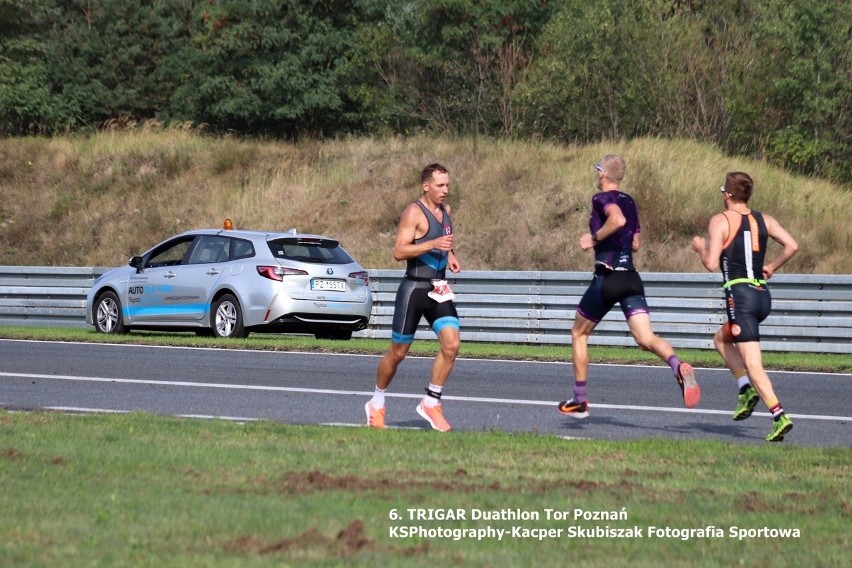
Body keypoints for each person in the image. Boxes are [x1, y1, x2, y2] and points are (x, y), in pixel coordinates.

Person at [558, 154, 700, 418]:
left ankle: (580, 400)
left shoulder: (601, 199)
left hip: (608, 277)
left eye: (597, 169)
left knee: (579, 334)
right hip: (631, 278)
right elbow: (635, 243)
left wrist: (594, 238)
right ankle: (677, 365)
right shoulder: (630, 201)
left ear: (603, 173)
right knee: (646, 339)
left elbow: (618, 221)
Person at [690, 172, 798, 442]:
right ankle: (744, 388)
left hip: (740, 297)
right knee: (721, 339)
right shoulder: (765, 219)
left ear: (727, 194)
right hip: (761, 295)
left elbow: (712, 264)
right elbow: (792, 245)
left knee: (753, 363)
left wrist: (701, 248)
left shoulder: (720, 220)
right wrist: (771, 266)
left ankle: (779, 414)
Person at [365, 163, 461, 432]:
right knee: (398, 353)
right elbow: (399, 251)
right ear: (425, 186)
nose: (445, 190)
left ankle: (431, 401)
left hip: (438, 288)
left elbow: (444, 241)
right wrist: (432, 245)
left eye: (447, 185)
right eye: (440, 186)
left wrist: (451, 256)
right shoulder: (413, 212)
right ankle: (376, 402)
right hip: (414, 289)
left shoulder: (446, 212)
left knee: (452, 344)